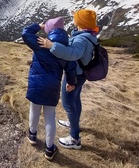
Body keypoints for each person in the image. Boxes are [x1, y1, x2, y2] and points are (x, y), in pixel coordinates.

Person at [37, 9, 99, 150]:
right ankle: (74, 123)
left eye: (76, 19)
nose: (74, 20)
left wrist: (52, 46)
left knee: (68, 104)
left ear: (80, 23)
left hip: (75, 75)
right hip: (81, 73)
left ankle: (74, 139)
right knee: (75, 100)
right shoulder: (89, 35)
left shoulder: (81, 39)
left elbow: (72, 54)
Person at [22, 17, 76, 160]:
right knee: (50, 116)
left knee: (34, 109)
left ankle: (32, 135)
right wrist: (71, 82)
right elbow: (71, 68)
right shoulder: (66, 49)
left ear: (49, 31)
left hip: (36, 83)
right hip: (53, 86)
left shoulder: (41, 43)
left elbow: (25, 33)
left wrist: (38, 26)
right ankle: (49, 149)